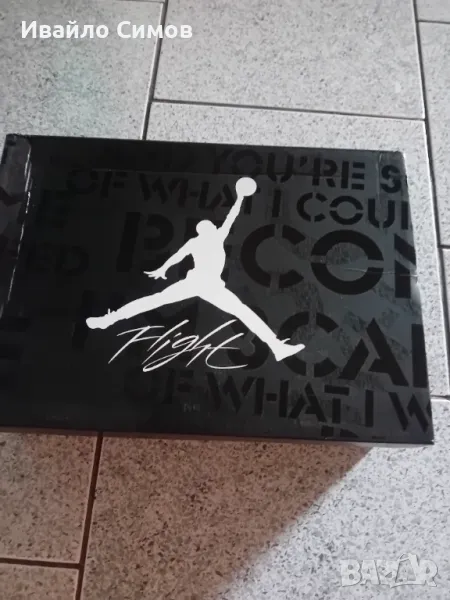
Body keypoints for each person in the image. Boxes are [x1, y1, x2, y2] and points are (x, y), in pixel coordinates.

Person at [87, 177, 305, 362]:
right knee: (156, 301)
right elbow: (180, 254)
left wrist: (240, 197)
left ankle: (276, 347)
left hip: (210, 285)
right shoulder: (204, 240)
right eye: (209, 226)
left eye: (212, 226)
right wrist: (163, 268)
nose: (213, 227)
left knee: (242, 312)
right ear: (204, 230)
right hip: (197, 282)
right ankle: (108, 320)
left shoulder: (211, 238)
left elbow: (229, 218)